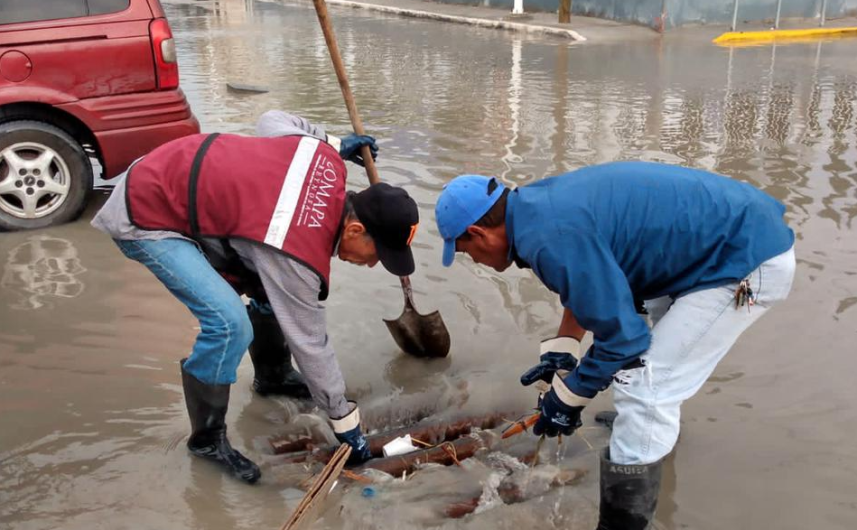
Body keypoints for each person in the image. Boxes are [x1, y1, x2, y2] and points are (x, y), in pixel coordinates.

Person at [434, 161, 795, 529]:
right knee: (653, 368)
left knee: (646, 386)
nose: (474, 260)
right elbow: (589, 280)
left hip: (741, 261)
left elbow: (624, 339)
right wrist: (565, 348)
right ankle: (652, 434)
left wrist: (570, 397)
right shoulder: (535, 210)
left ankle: (621, 522)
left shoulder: (546, 237)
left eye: (465, 252)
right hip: (711, 247)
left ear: (478, 233)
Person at [92, 111, 420, 484]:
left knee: (268, 284)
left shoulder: (321, 157)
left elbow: (272, 120)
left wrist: (334, 143)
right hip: (146, 212)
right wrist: (346, 425)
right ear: (356, 229)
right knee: (229, 324)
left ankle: (272, 376)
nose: (374, 264)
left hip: (172, 167)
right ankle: (206, 440)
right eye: (377, 255)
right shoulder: (295, 255)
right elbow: (311, 345)